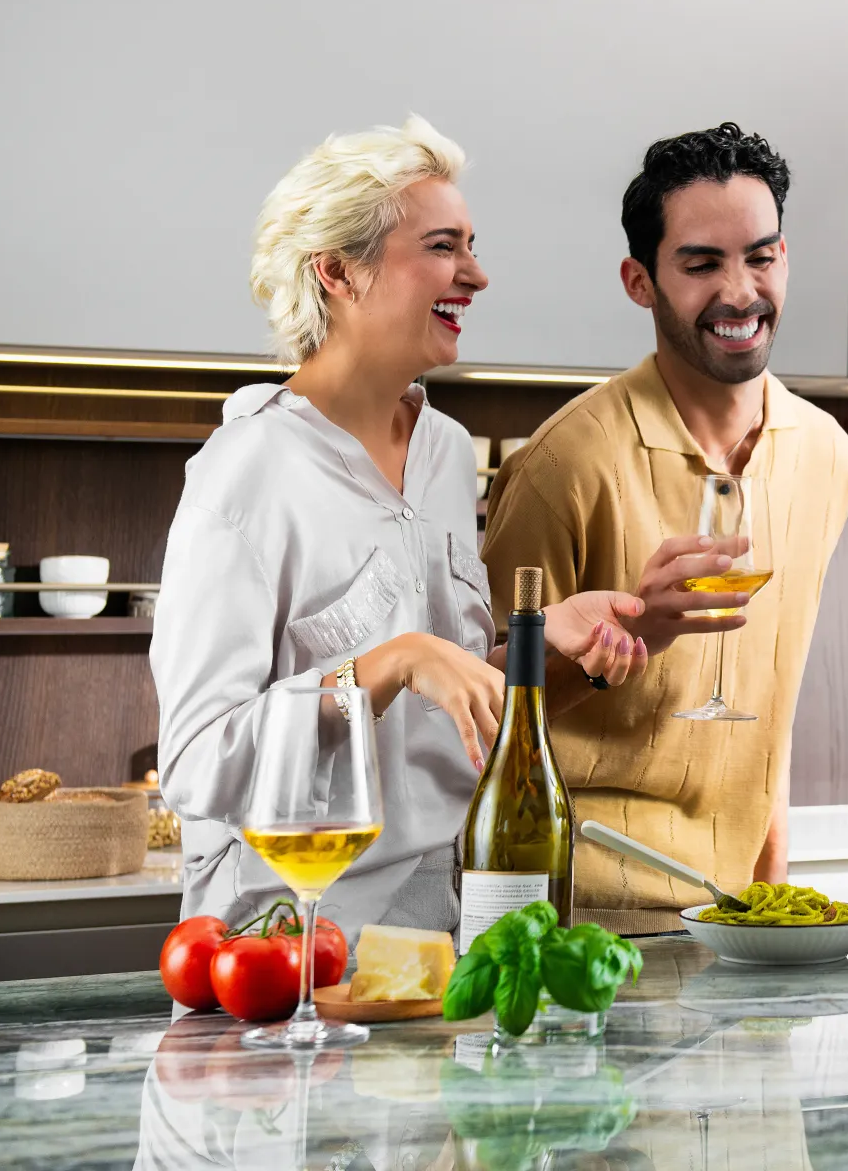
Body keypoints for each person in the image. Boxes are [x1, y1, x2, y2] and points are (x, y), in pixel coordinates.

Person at [152, 117, 646, 940]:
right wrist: (394, 660)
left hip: (436, 928)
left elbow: (429, 700)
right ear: (340, 272)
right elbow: (199, 761)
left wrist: (541, 639)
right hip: (282, 939)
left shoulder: (447, 451)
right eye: (444, 247)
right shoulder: (246, 471)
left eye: (472, 245)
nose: (477, 275)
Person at [481, 123, 848, 934]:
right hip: (577, 906)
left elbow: (772, 708)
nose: (740, 291)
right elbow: (488, 712)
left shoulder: (826, 455)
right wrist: (631, 637)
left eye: (761, 256)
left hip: (731, 915)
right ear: (639, 281)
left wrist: (771, 898)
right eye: (701, 264)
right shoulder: (563, 463)